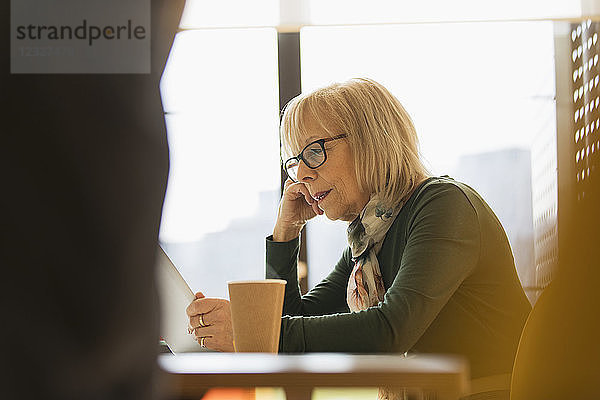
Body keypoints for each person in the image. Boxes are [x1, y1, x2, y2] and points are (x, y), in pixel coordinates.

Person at [186, 78, 531, 399]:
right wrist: (285, 232)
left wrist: (254, 333)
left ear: (370, 141)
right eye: (294, 162)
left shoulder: (444, 205)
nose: (302, 174)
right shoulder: (370, 240)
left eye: (315, 151)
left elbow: (390, 331)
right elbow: (298, 322)